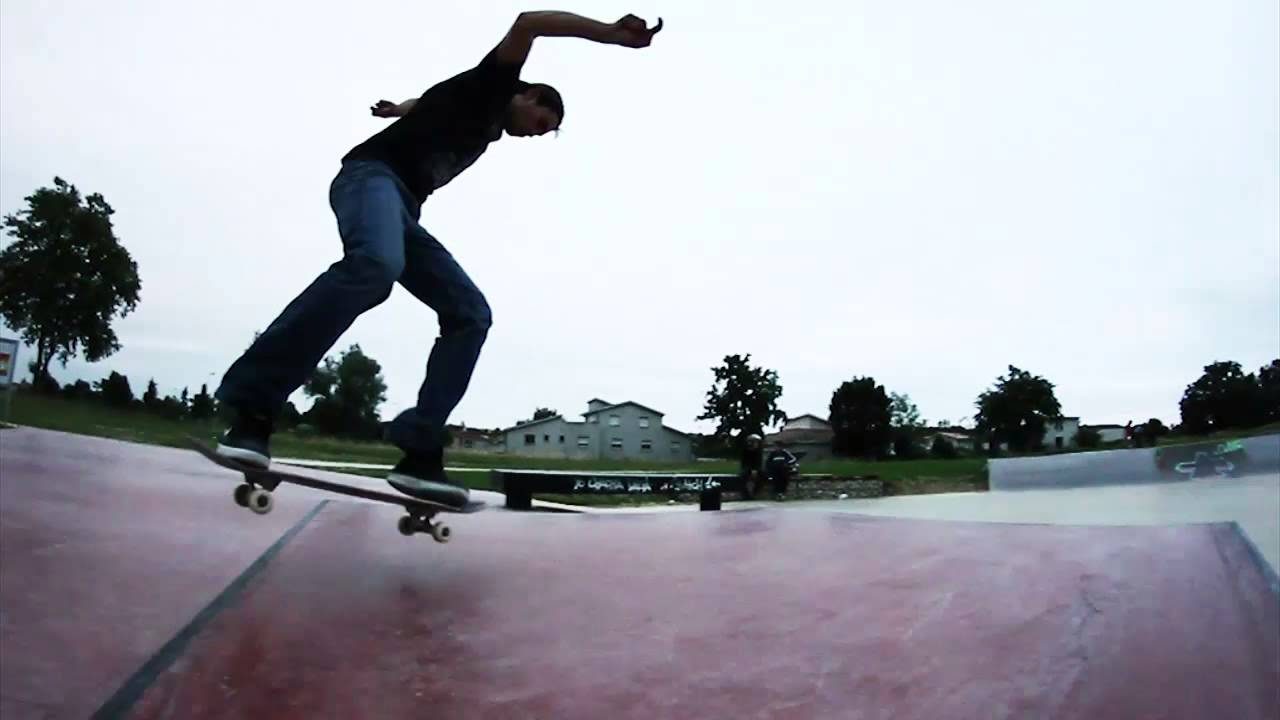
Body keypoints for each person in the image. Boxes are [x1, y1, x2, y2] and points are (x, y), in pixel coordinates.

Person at [211, 11, 664, 508]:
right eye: (540, 123)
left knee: (471, 313)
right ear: (528, 94)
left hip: (404, 208)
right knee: (375, 267)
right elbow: (528, 22)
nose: (536, 135)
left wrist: (399, 109)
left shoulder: (481, 120)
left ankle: (421, 444)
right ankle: (254, 405)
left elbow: (426, 104)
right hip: (369, 178)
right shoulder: (494, 83)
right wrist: (610, 34)